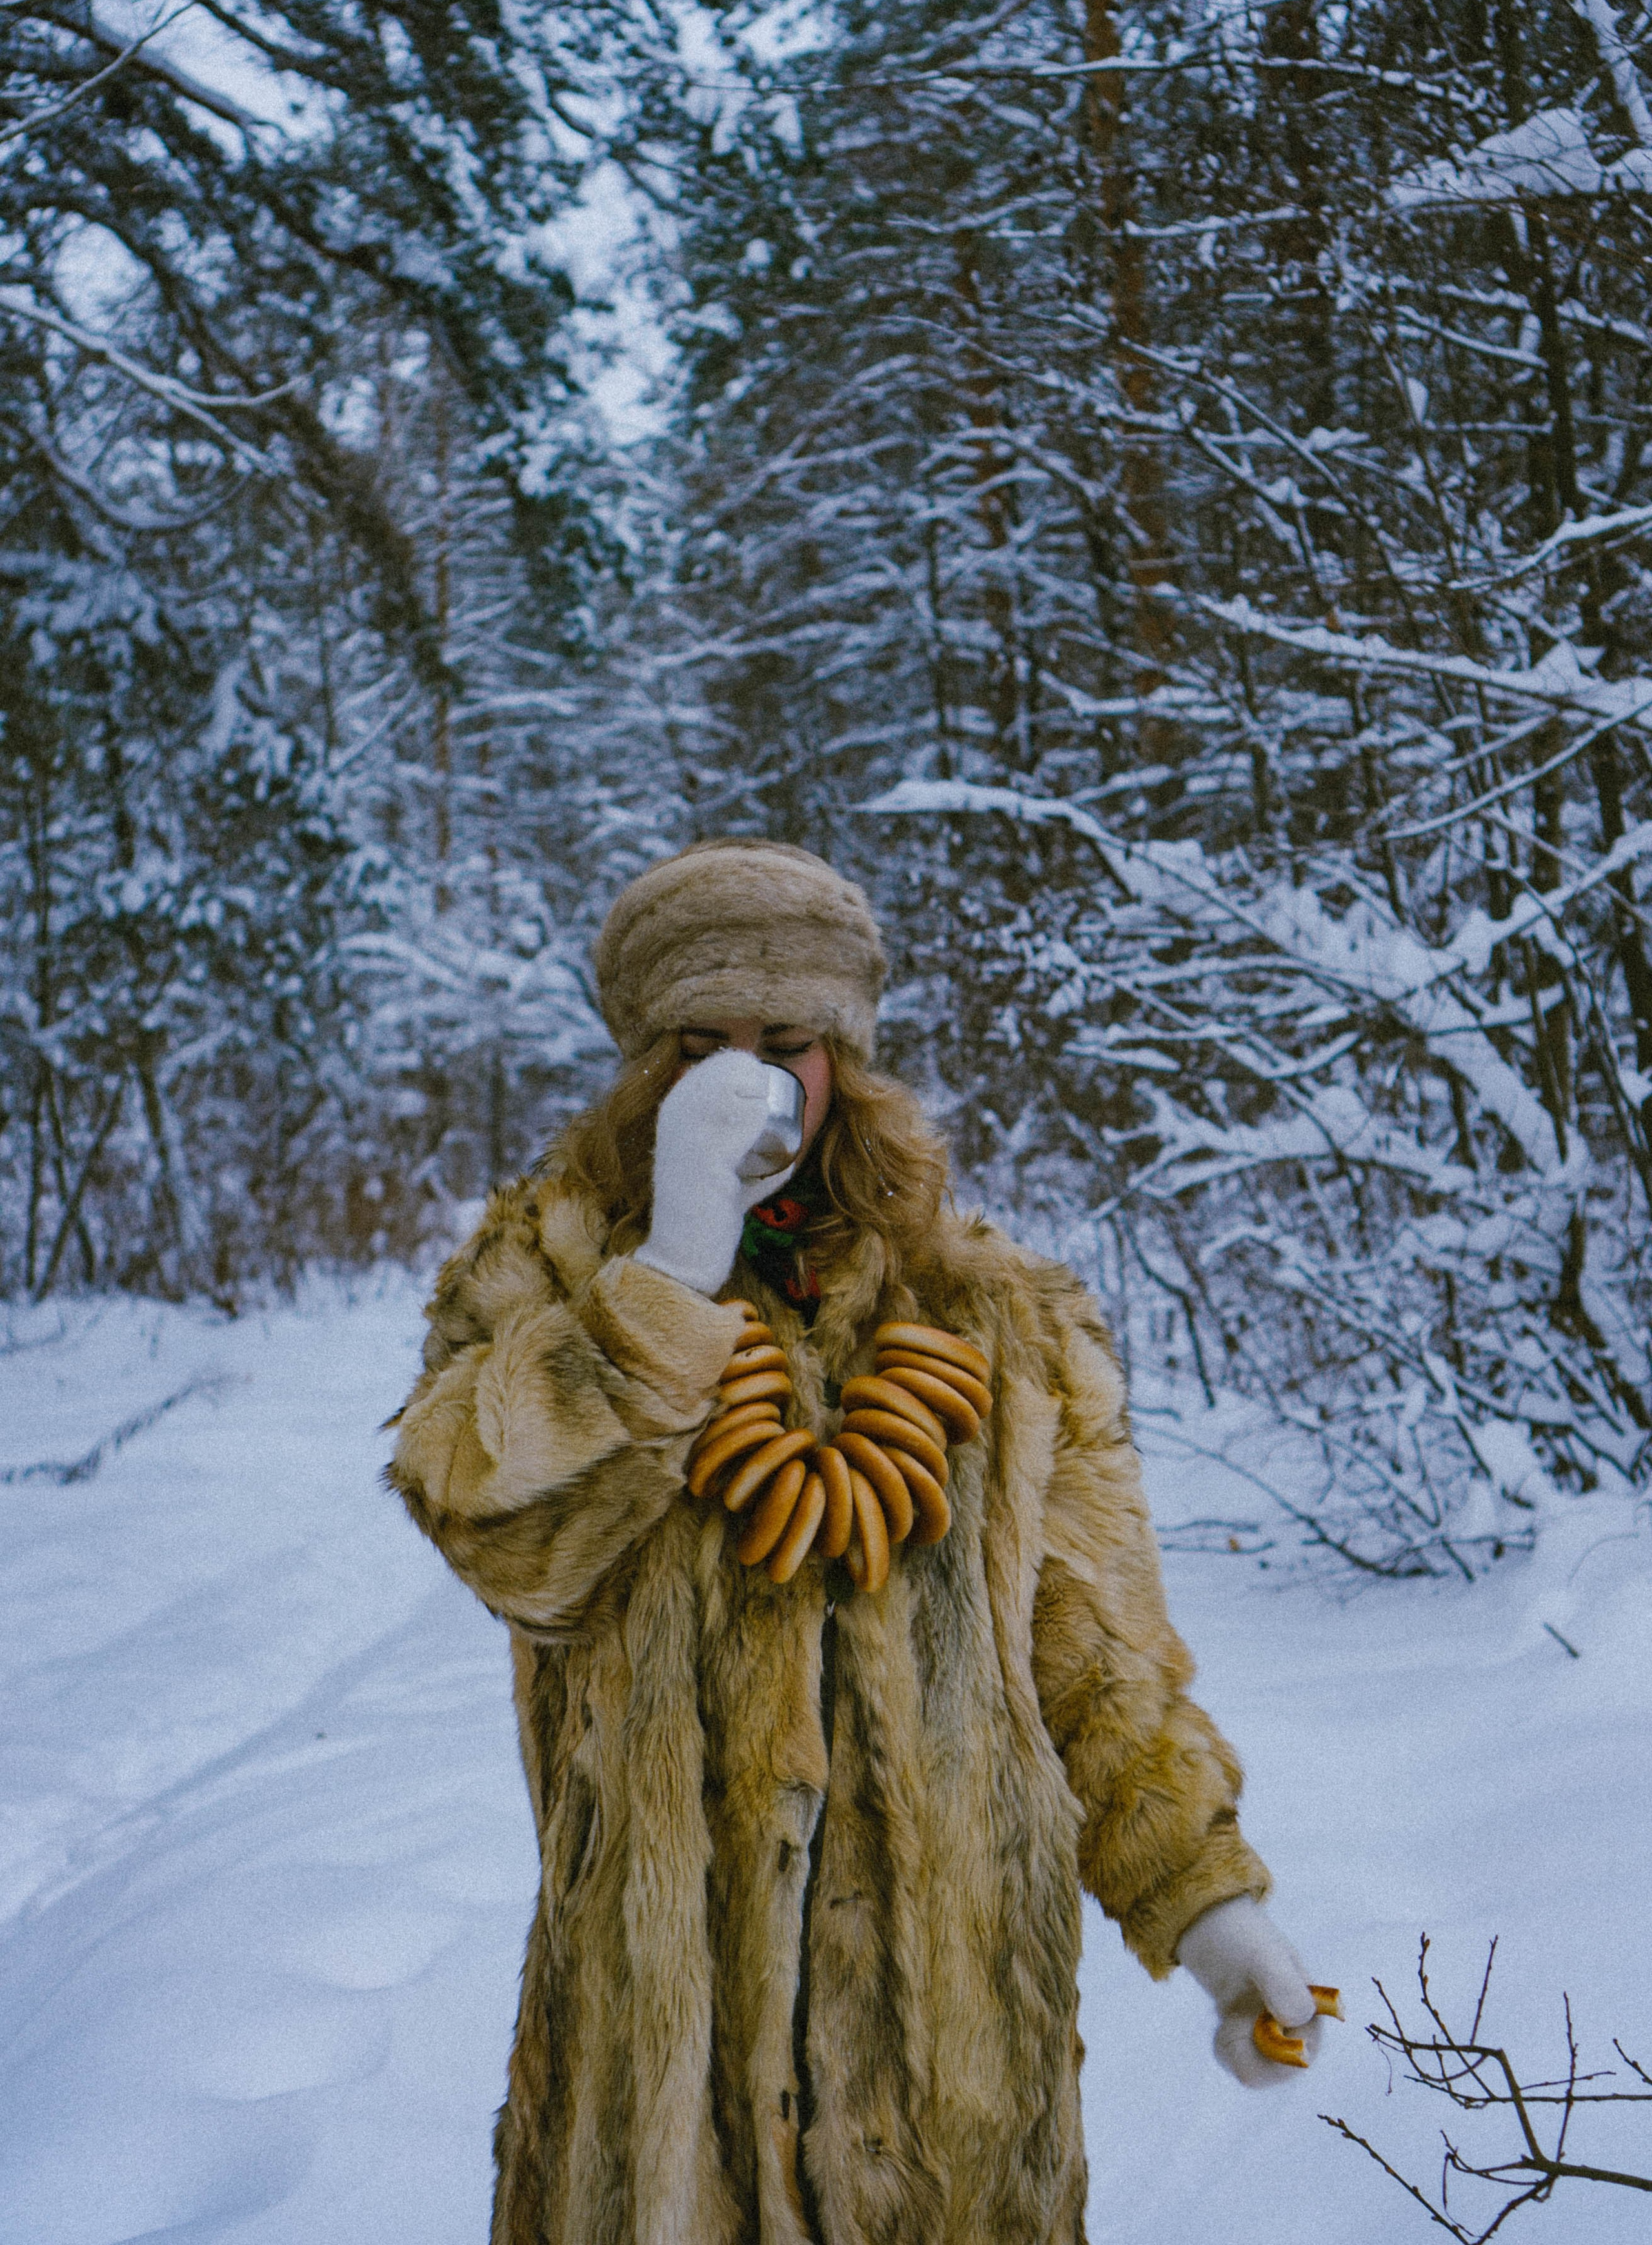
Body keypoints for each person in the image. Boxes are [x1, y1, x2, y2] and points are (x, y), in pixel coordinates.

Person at [387, 840, 1328, 2245]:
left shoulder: (1000, 1319)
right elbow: (500, 1537)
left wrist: (1203, 1907)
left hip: (948, 2074)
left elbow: (1091, 1663)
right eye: (696, 1046)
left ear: (846, 1057)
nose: (744, 1080)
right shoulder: (544, 1283)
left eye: (783, 1042)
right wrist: (665, 1289)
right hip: (659, 2070)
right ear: (643, 1066)